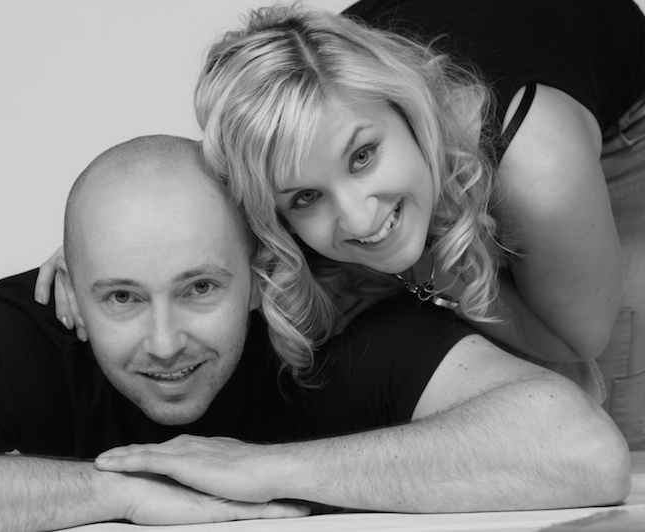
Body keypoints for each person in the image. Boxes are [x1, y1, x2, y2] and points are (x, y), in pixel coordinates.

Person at [0, 136, 630, 531]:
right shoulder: (35, 322)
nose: (163, 342)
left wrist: (263, 469)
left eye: (200, 289)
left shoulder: (332, 325)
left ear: (259, 279)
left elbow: (579, 449)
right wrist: (112, 494)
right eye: (121, 298)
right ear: (73, 293)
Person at [185, 0, 645, 446]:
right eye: (306, 197)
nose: (359, 217)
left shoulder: (540, 173)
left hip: (619, 120)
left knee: (620, 409)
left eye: (362, 156)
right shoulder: (311, 113)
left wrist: (429, 269)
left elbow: (580, 339)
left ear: (407, 110)